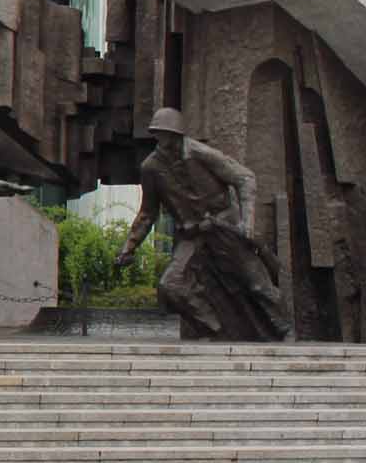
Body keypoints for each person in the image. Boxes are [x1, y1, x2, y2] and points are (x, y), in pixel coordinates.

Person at [115, 108, 292, 341]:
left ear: (178, 134)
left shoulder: (200, 153)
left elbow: (245, 178)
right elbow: (147, 212)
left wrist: (247, 222)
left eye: (169, 134)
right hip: (192, 234)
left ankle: (286, 329)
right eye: (160, 134)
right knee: (171, 285)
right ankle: (213, 329)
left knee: (258, 284)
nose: (164, 139)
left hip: (223, 225)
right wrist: (130, 246)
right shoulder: (151, 167)